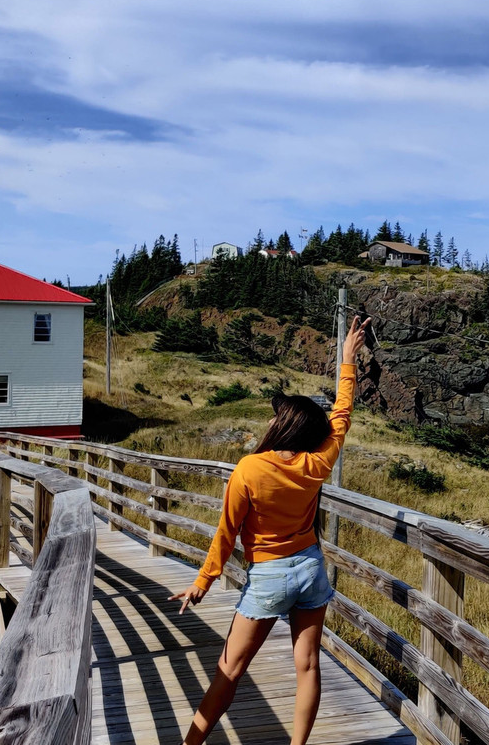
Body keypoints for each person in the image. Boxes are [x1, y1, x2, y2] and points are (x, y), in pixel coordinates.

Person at [170, 315, 372, 745]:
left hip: (269, 576)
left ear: (282, 426)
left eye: (276, 416)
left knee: (230, 669)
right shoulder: (316, 465)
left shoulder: (249, 470)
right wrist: (347, 360)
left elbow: (226, 532)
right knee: (309, 666)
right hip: (311, 570)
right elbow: (342, 414)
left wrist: (203, 582)